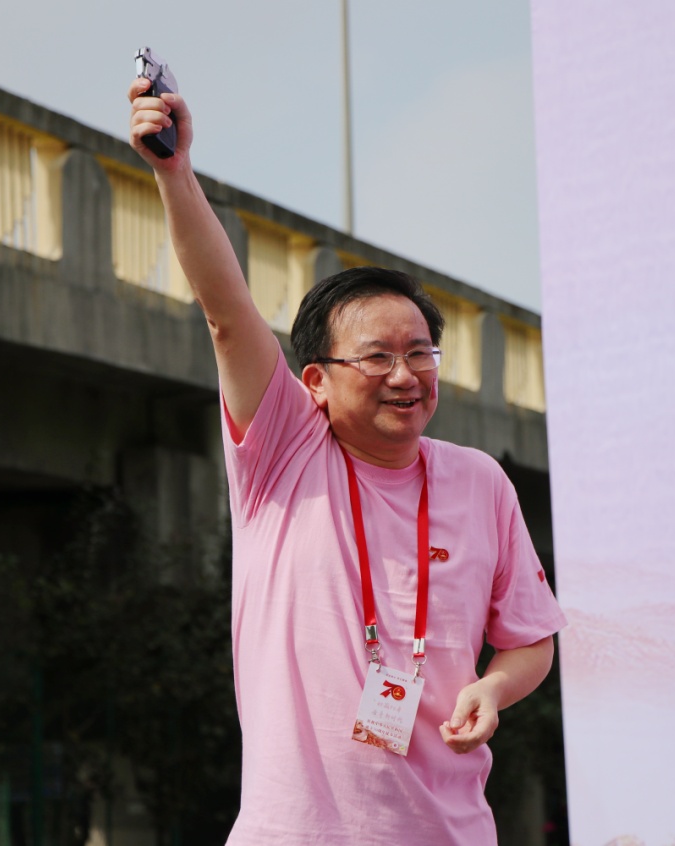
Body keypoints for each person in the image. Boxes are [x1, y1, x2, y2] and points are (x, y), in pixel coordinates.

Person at [128, 75, 566, 846]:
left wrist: (494, 687)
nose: (405, 375)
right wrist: (174, 171)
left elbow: (530, 637)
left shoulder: (479, 481)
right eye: (377, 357)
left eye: (420, 352)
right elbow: (226, 314)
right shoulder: (283, 454)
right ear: (315, 382)